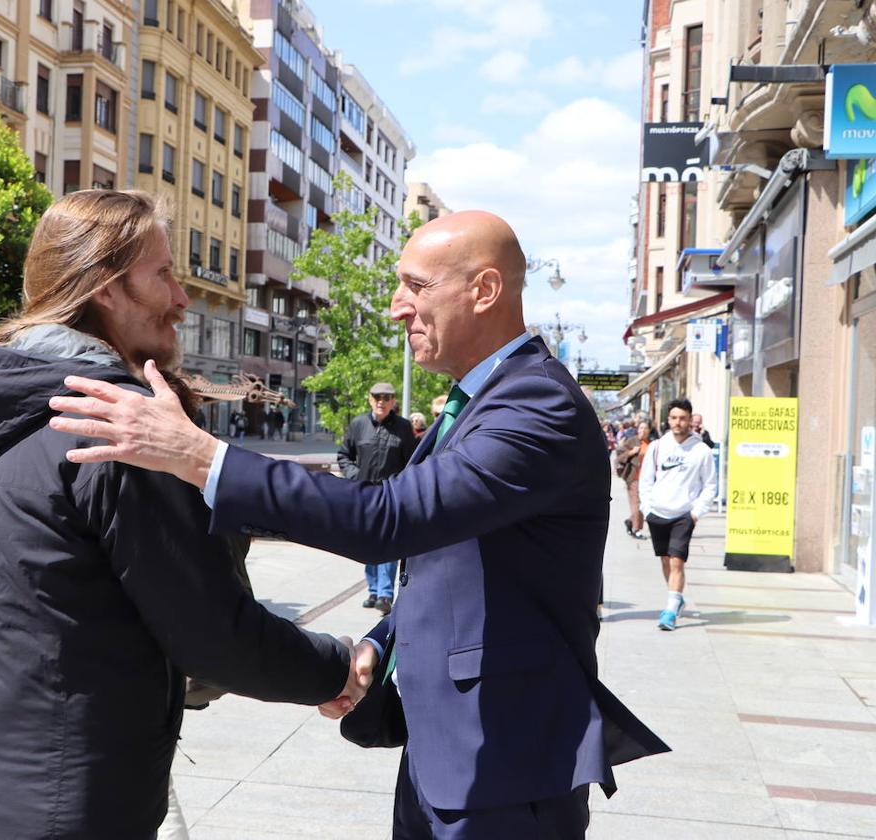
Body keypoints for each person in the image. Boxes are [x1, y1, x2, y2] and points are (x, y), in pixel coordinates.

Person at [47, 209, 668, 838]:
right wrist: (382, 641)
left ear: (484, 290)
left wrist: (202, 457)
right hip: (453, 752)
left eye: (416, 287)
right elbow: (456, 563)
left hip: (508, 763)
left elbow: (389, 518)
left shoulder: (537, 405)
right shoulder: (482, 400)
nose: (398, 308)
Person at [0, 190, 362, 839]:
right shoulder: (116, 432)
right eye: (163, 275)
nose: (182, 297)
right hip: (83, 805)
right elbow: (210, 630)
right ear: (106, 290)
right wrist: (337, 668)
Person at [338, 382, 418, 615]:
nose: (381, 401)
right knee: (367, 544)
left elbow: (412, 462)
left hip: (390, 497)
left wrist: (401, 488)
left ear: (393, 401)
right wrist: (355, 477)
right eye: (377, 397)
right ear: (370, 399)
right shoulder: (358, 424)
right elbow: (344, 455)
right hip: (363, 496)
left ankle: (385, 594)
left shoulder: (403, 428)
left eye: (387, 397)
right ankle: (373, 590)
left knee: (387, 546)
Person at [638, 398, 716, 631]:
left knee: (676, 561)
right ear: (668, 420)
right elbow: (646, 480)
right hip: (658, 512)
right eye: (674, 418)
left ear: (690, 420)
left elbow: (710, 485)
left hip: (684, 514)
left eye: (683, 418)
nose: (678, 422)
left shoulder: (701, 450)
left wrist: (695, 513)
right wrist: (647, 508)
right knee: (665, 560)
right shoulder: (657, 447)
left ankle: (670, 611)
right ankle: (676, 597)